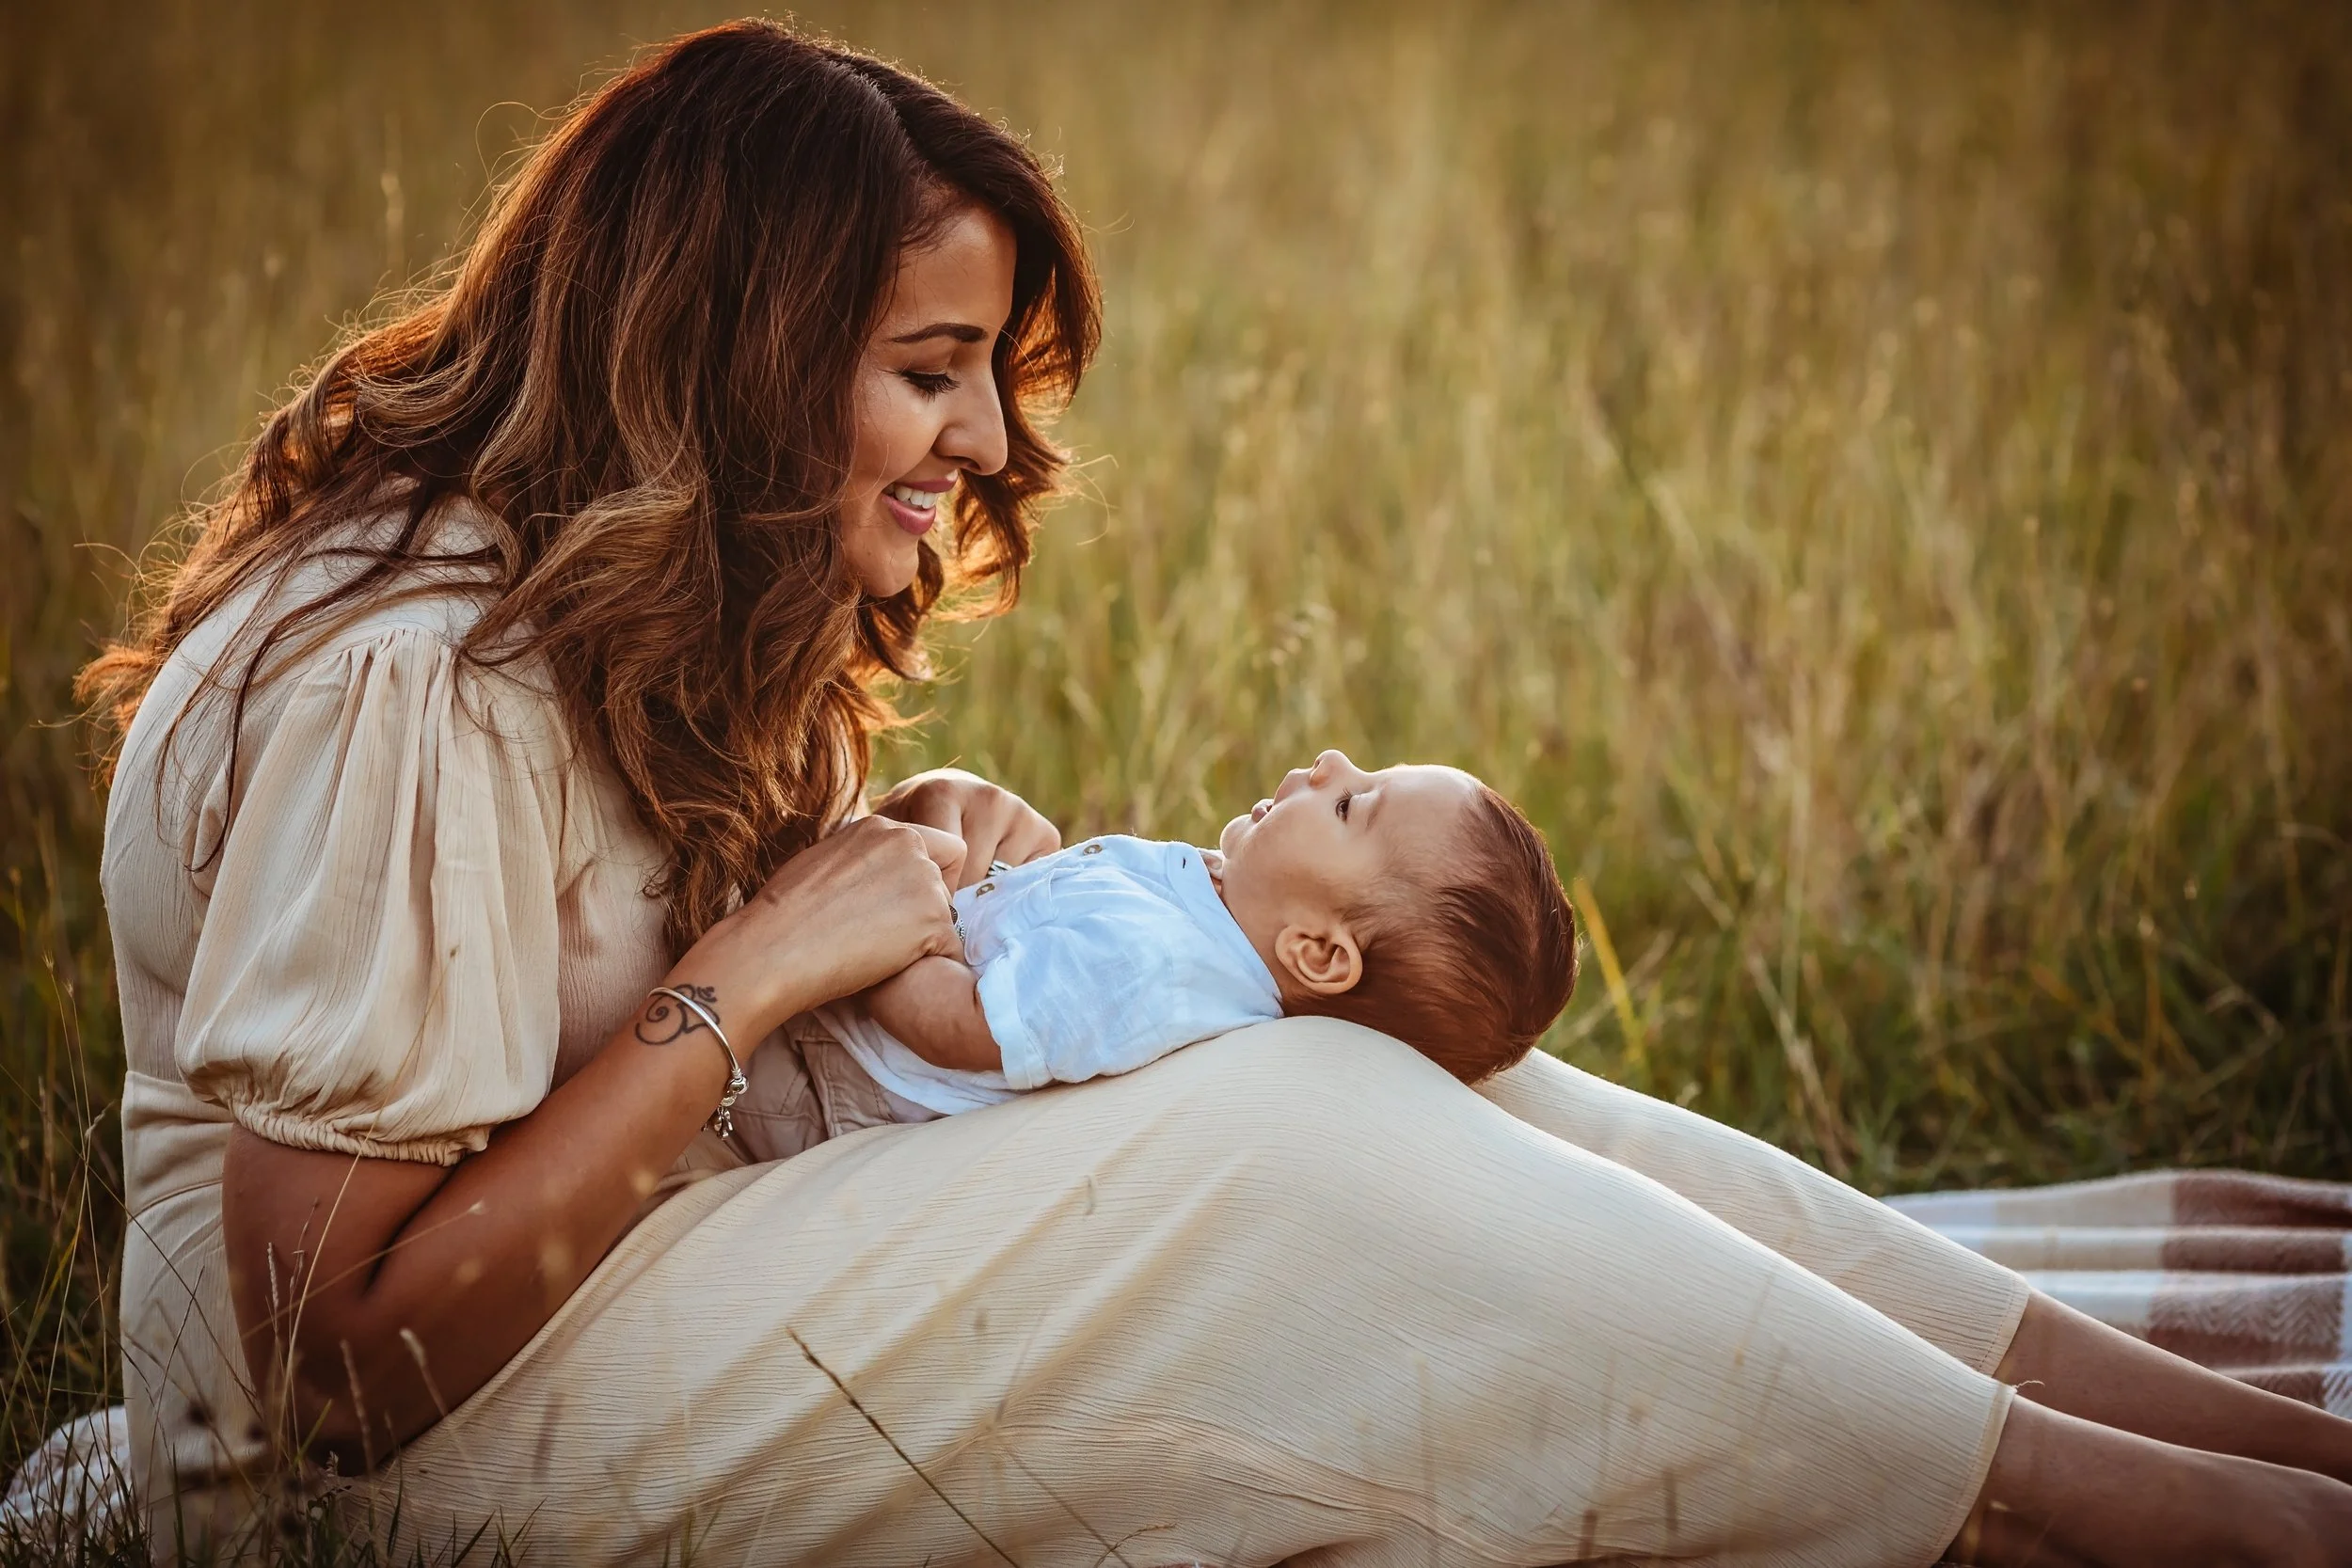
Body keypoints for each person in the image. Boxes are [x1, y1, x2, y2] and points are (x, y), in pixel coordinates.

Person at [81, 19, 2352, 1567]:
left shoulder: (640, 603)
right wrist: (759, 980)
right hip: (386, 1473)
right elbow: (325, 1375)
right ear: (731, 360)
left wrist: (899, 860)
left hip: (649, 1275)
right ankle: (2159, 1522)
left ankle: (2235, 1391)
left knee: (1342, 1064)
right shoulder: (410, 684)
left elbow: (633, 975)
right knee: (1290, 1139)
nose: (978, 449)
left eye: (984, 377)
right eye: (928, 373)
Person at [726, 755, 1573, 1158]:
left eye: (1353, 804)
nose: (1331, 762)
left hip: (838, 1078)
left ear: (1317, 951)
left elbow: (963, 1027)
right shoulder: (1210, 907)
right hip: (855, 1020)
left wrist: (894, 928)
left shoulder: (1160, 965)